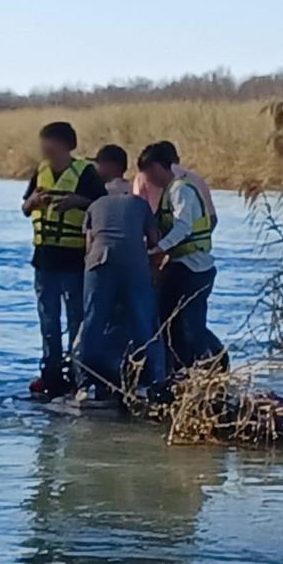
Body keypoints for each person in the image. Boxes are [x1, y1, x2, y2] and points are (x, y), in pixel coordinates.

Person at [73, 145, 166, 399]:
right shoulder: (139, 204)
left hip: (98, 263)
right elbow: (154, 240)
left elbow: (89, 244)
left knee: (93, 321)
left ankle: (86, 383)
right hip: (134, 263)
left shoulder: (96, 204)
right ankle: (154, 381)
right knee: (144, 321)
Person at [22, 122, 107, 397]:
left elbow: (103, 206)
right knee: (48, 319)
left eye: (49, 143)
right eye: (42, 142)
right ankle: (50, 374)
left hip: (73, 259)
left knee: (75, 320)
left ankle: (76, 375)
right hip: (44, 258)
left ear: (65, 146)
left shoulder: (85, 172)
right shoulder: (41, 171)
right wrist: (32, 201)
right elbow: (25, 208)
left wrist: (77, 202)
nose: (44, 148)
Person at [138, 143, 219, 369]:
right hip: (179, 265)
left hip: (195, 268)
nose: (148, 180)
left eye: (148, 173)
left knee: (192, 325)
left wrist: (160, 248)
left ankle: (205, 371)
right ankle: (179, 370)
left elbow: (183, 227)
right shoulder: (169, 191)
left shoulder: (180, 190)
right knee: (168, 320)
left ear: (156, 167)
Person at [131, 140, 218, 229]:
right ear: (177, 160)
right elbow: (212, 219)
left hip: (163, 233)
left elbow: (136, 212)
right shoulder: (197, 179)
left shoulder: (143, 176)